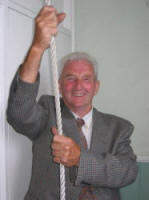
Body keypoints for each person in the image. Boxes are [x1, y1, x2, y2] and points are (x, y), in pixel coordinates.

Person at [7, 5, 138, 200]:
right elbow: (19, 114)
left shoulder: (119, 128)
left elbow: (127, 172)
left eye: (86, 79)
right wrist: (37, 47)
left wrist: (80, 160)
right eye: (70, 78)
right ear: (59, 86)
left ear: (96, 86)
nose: (78, 85)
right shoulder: (48, 112)